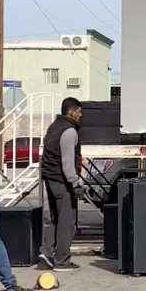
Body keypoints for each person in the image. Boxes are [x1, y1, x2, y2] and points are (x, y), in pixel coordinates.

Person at [39, 97, 82, 272]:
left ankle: (47, 251)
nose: (80, 116)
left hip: (50, 179)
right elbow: (67, 162)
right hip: (62, 181)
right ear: (71, 112)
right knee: (67, 221)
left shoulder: (54, 127)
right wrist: (75, 182)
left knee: (56, 218)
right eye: (79, 112)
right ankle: (62, 261)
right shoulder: (69, 131)